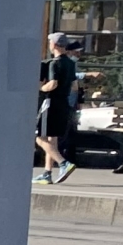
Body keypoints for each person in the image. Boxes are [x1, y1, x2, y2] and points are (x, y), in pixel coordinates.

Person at [34, 33, 81, 184]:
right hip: (63, 103)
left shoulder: (54, 63)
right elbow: (75, 86)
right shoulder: (70, 63)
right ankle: (47, 173)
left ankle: (63, 163)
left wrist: (40, 89)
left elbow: (52, 84)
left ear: (53, 44)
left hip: (50, 102)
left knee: (39, 138)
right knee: (51, 138)